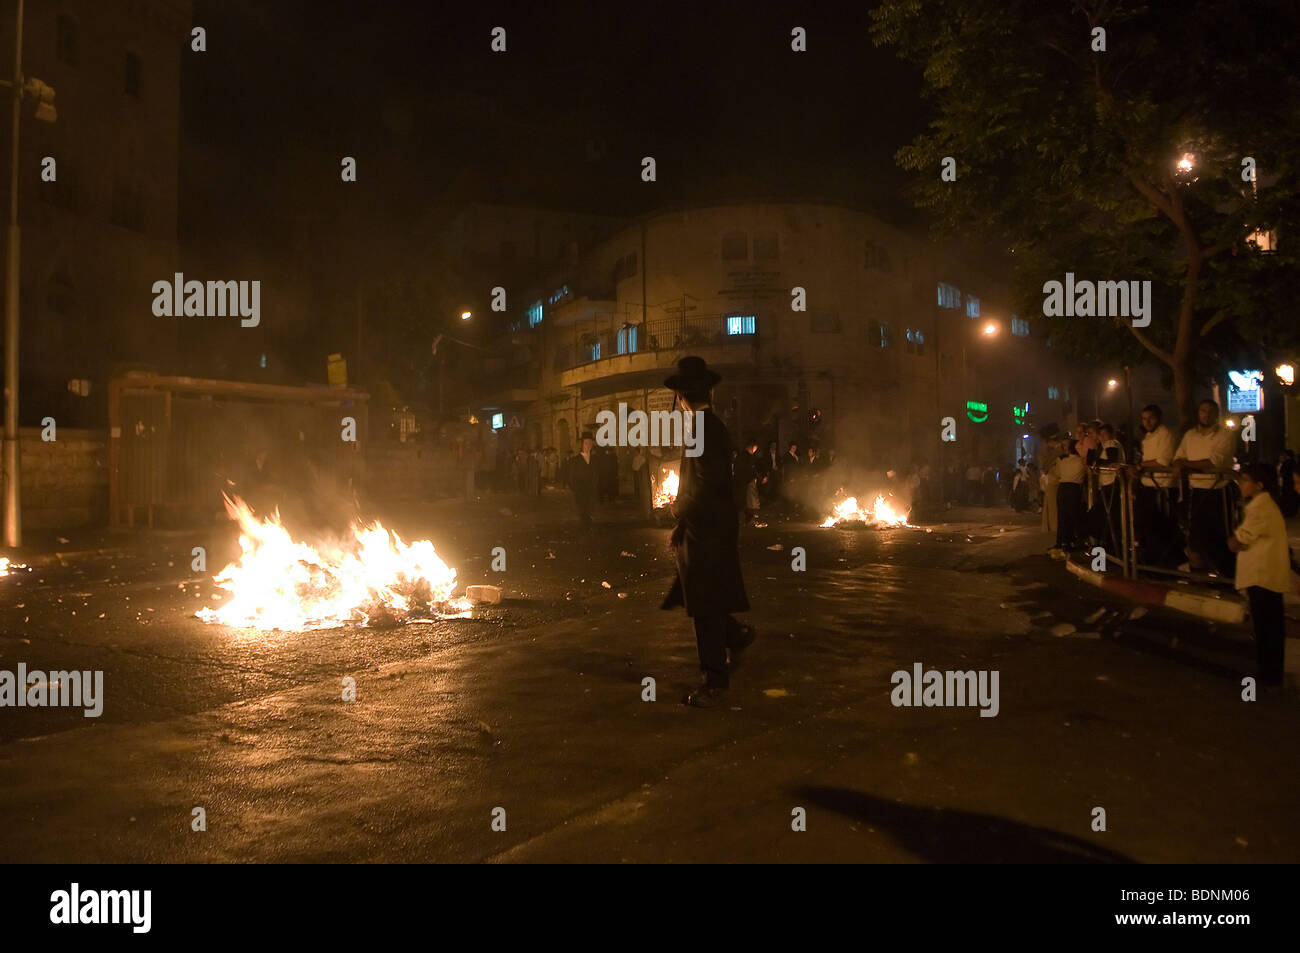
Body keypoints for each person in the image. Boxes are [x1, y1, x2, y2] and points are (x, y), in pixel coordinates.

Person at [659, 357, 752, 708]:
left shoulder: (699, 428)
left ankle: (714, 680)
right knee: (701, 593)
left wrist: (681, 511)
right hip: (710, 526)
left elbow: (705, 483)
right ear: (709, 393)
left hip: (706, 530)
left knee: (705, 603)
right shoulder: (711, 425)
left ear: (682, 396)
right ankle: (736, 635)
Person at [1227, 463, 1291, 688]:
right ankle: (1270, 674)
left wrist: (1232, 541)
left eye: (1245, 480)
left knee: (1267, 628)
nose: (1241, 484)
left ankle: (1268, 676)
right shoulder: (1262, 505)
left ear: (1259, 484)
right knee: (1270, 627)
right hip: (1265, 575)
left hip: (1262, 576)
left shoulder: (1261, 507)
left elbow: (1239, 541)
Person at [1173, 399, 1237, 576]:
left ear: (1216, 414)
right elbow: (1178, 457)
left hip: (1218, 492)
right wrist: (1182, 463)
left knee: (1219, 539)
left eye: (1210, 411)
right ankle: (1199, 579)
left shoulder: (1225, 435)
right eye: (1202, 410)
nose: (1206, 414)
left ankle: (1228, 580)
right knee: (1194, 540)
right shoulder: (1189, 436)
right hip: (1196, 492)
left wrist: (1185, 464)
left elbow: (1214, 462)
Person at [1129, 404, 1179, 566]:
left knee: (1158, 528)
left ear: (1159, 418)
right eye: (1144, 419)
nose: (1147, 422)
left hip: (1162, 488)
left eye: (1151, 418)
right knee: (1143, 525)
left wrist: (1141, 466)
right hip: (1148, 486)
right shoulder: (1148, 437)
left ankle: (1166, 565)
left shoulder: (1165, 434)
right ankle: (1150, 563)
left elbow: (1163, 461)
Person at [1055, 438, 1087, 554]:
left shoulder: (1061, 460)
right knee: (1074, 515)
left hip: (1062, 488)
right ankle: (1077, 541)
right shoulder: (1081, 461)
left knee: (1063, 517)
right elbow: (1084, 473)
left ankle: (1063, 542)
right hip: (1074, 488)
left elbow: (1058, 474)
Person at [567, 432, 597, 530]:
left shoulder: (594, 459)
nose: (588, 446)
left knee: (589, 512)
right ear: (581, 444)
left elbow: (596, 475)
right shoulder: (575, 460)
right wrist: (575, 488)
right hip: (580, 490)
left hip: (591, 491)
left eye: (590, 443)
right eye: (585, 443)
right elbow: (571, 476)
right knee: (582, 514)